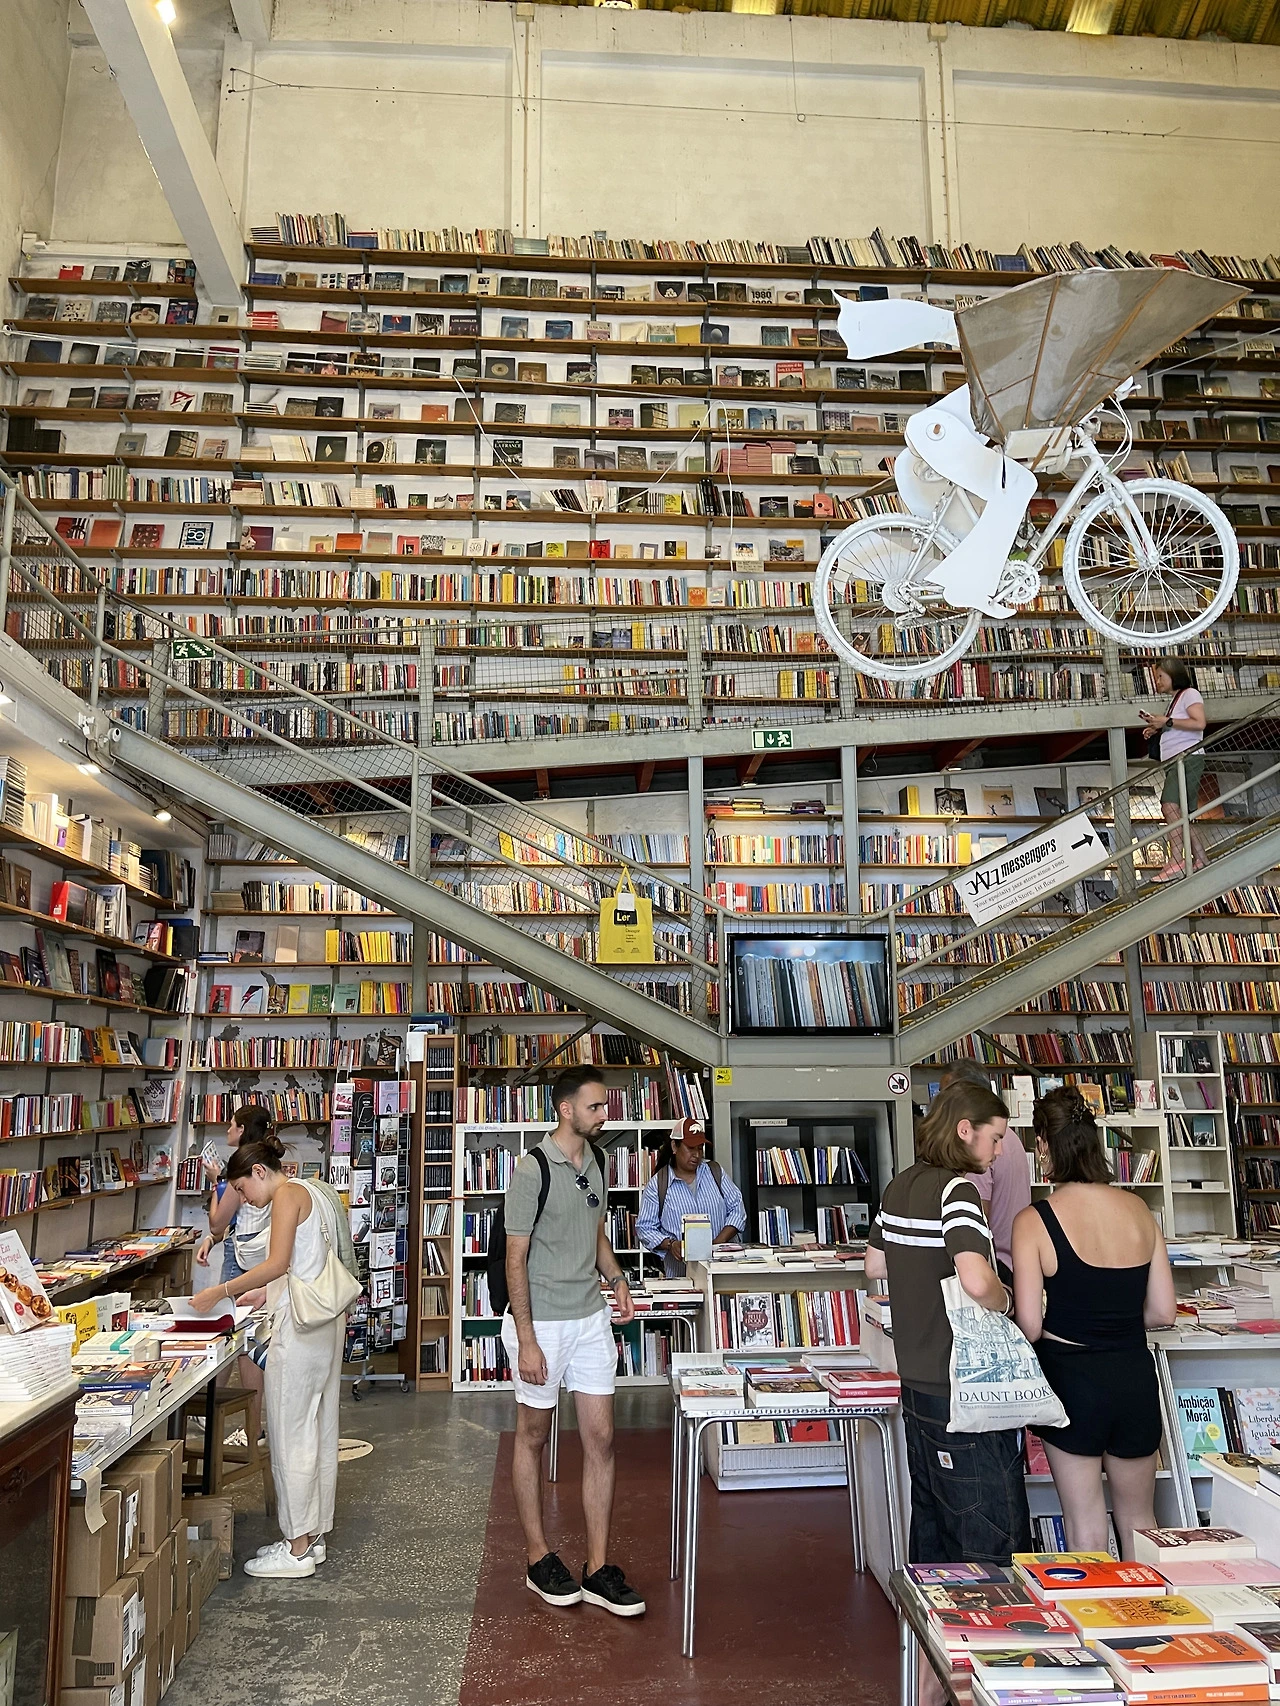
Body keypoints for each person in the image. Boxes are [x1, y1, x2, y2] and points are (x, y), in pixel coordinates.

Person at [865, 1080, 1032, 1566]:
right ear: (965, 1130)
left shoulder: (900, 1185)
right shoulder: (958, 1192)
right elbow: (977, 1280)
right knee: (989, 1535)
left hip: (916, 1382)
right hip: (964, 1385)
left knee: (932, 1523)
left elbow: (875, 1265)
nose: (998, 1152)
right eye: (994, 1138)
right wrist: (1008, 1301)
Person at [500, 1064, 645, 1617]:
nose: (605, 1114)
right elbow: (515, 1258)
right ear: (566, 1110)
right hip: (542, 1322)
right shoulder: (532, 1169)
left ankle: (598, 1567)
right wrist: (527, 1340)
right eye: (595, 1106)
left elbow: (595, 1231)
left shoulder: (598, 1161)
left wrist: (617, 1278)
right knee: (533, 1436)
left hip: (590, 1318)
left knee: (601, 1438)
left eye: (605, 1105)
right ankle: (538, 1557)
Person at [1011, 1088, 1177, 1558]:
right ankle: (1149, 1607)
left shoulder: (1034, 1221)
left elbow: (1030, 1325)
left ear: (1044, 1144)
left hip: (1072, 1381)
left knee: (1085, 1530)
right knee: (1140, 1525)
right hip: (1133, 1375)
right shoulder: (1139, 1210)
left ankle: (1092, 1612)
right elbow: (1163, 1311)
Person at [191, 1135, 346, 1580]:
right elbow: (306, 1262)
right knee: (317, 1429)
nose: (244, 1199)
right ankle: (311, 1537)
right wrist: (265, 1292)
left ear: (260, 1172)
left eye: (242, 1189)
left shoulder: (285, 1197)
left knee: (289, 1433)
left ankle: (296, 1548)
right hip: (323, 1324)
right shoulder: (313, 1190)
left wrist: (221, 1291)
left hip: (299, 1331)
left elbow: (277, 1262)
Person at [193, 1105, 275, 1444]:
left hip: (242, 1259)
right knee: (248, 1339)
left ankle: (206, 1406)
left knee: (231, 1336)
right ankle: (251, 1427)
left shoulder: (241, 1166)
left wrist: (217, 1182)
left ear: (241, 1129)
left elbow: (218, 1221)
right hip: (259, 1254)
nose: (227, 1130)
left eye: (231, 1125)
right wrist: (212, 1240)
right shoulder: (266, 1161)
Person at [943, 1061, 1032, 1283]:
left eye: (946, 1095)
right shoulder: (1010, 1137)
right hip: (1015, 1261)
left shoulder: (979, 1145)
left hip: (992, 1267)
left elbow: (975, 1218)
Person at [636, 1117, 746, 1277]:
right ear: (674, 1146)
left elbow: (737, 1209)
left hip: (722, 1271)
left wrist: (717, 1243)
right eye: (690, 1148)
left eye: (700, 1148)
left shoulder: (715, 1172)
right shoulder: (658, 1185)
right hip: (681, 1273)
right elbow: (645, 1228)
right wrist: (670, 1244)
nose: (696, 1154)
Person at [1139, 657, 1207, 882]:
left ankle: (1176, 860)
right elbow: (1177, 725)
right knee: (1182, 813)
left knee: (1169, 806)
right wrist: (1157, 728)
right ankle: (1200, 858)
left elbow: (1199, 723)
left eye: (1160, 676)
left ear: (1173, 674)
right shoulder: (1176, 700)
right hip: (1177, 761)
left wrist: (1166, 722)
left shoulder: (1190, 694)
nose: (1157, 681)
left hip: (1186, 759)